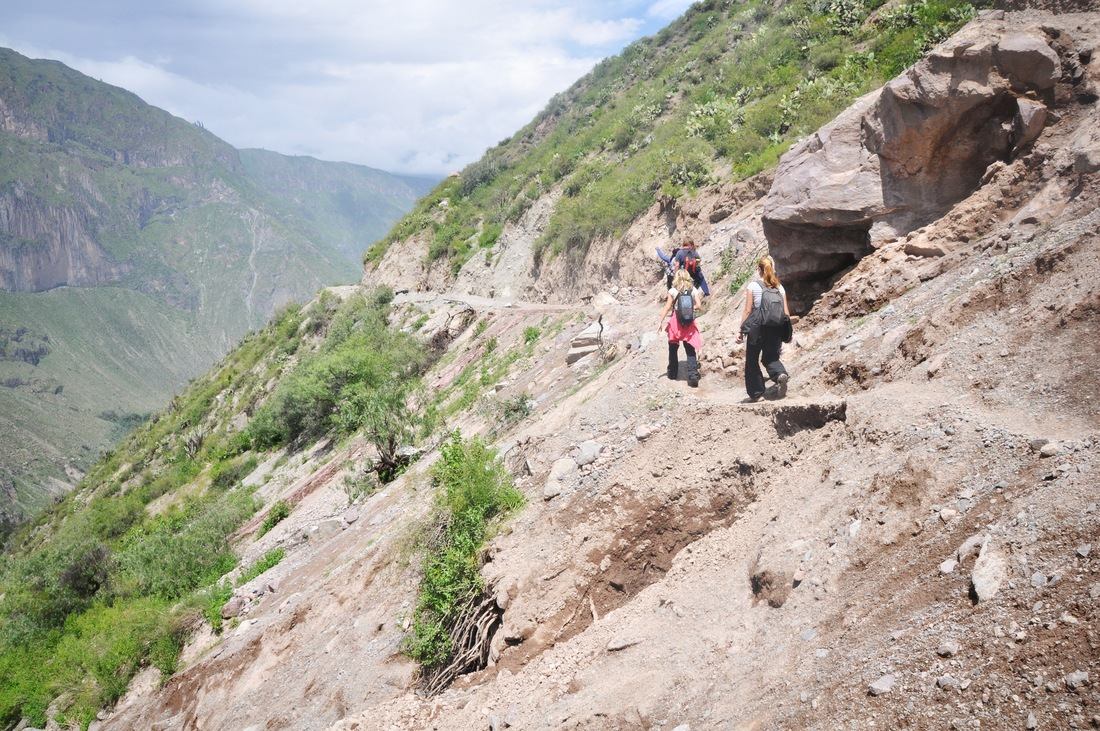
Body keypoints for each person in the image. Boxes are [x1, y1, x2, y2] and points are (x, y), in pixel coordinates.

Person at [736, 255, 791, 402]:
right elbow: (786, 313)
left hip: (757, 327)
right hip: (776, 327)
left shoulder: (753, 286)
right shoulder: (779, 287)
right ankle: (779, 374)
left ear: (759, 270)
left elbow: (748, 310)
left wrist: (741, 331)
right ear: (772, 269)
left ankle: (757, 394)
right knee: (771, 356)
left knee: (752, 360)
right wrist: (786, 332)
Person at [658, 268, 703, 387]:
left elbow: (667, 307)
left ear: (676, 278)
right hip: (688, 322)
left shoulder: (673, 291)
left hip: (675, 323)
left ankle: (672, 373)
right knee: (690, 349)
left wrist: (661, 321)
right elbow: (699, 306)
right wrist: (689, 310)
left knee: (673, 348)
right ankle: (693, 375)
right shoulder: (693, 290)